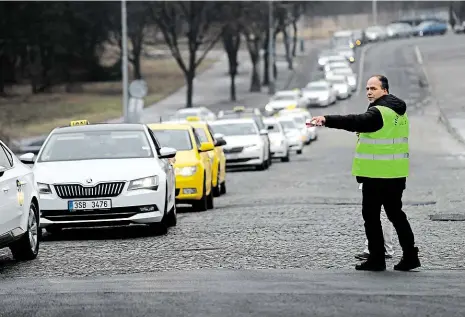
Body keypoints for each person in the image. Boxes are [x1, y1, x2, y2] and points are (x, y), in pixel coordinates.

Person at [308, 75, 421, 272]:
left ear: (384, 90)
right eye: (367, 89)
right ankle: (410, 256)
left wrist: (327, 120)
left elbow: (355, 121)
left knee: (371, 216)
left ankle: (377, 259)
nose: (369, 92)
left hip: (376, 176)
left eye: (373, 89)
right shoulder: (399, 113)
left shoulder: (379, 112)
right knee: (396, 215)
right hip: (396, 174)